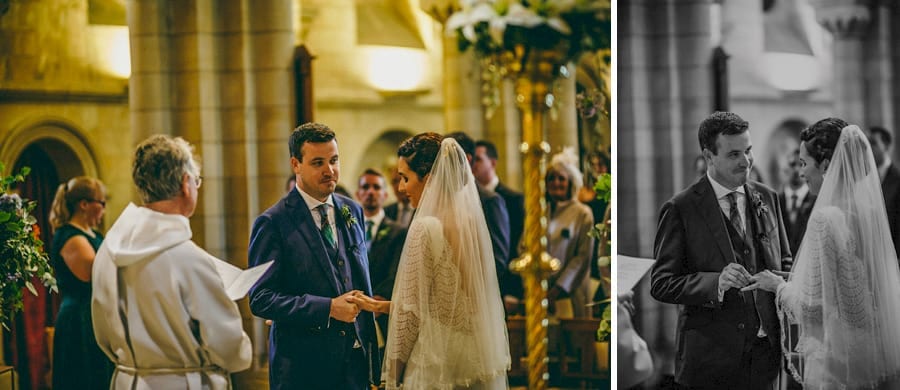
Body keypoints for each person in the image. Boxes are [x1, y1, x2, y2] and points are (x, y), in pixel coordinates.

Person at [745, 121, 900, 389]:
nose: (801, 172)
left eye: (804, 163)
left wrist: (778, 285)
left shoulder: (825, 219)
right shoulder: (869, 212)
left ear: (827, 165)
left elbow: (811, 307)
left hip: (839, 358)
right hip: (872, 348)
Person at [349, 133, 510, 389]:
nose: (401, 188)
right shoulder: (471, 225)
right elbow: (445, 305)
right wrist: (382, 306)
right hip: (475, 357)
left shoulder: (426, 228)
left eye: (405, 178)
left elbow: (411, 316)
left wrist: (393, 374)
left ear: (430, 179)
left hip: (437, 362)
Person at [91, 135, 251, 389]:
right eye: (197, 181)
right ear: (186, 184)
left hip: (128, 380)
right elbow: (229, 348)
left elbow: (102, 334)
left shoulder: (106, 252)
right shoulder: (190, 260)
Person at [650, 111, 790, 389]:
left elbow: (784, 259)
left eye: (748, 151)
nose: (745, 161)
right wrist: (716, 282)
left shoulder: (768, 197)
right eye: (734, 154)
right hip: (710, 360)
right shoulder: (681, 208)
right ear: (709, 156)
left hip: (765, 357)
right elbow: (661, 283)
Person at [247, 122, 378, 389]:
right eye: (318, 162)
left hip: (354, 365)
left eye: (334, 160)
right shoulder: (273, 222)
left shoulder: (352, 211)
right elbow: (260, 298)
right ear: (296, 164)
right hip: (304, 369)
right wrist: (327, 308)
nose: (329, 170)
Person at [48, 176, 113, 390]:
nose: (103, 209)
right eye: (101, 203)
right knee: (83, 379)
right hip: (79, 318)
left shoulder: (94, 234)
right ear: (84, 204)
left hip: (94, 314)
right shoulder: (70, 236)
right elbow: (93, 274)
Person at [446, 132, 511, 292]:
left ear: (466, 159)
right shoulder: (443, 198)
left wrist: (466, 286)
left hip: (480, 295)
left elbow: (498, 259)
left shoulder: (490, 201)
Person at [355, 168, 407, 349]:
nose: (370, 192)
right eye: (365, 187)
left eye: (376, 187)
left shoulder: (398, 231)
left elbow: (396, 272)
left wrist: (375, 303)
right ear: (357, 194)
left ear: (385, 194)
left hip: (384, 312)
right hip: (354, 312)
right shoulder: (348, 230)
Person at [473, 139, 526, 313]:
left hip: (506, 288)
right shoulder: (470, 198)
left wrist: (512, 291)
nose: (473, 163)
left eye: (479, 159)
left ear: (493, 162)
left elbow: (514, 246)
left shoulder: (513, 199)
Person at [545, 148, 596, 318]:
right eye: (551, 178)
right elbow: (524, 245)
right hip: (541, 291)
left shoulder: (582, 213)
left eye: (561, 179)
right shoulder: (540, 211)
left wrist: (558, 289)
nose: (556, 183)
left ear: (571, 182)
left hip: (571, 292)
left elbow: (582, 257)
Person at [779, 149, 816, 261]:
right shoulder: (773, 200)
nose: (796, 169)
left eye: (800, 164)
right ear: (785, 168)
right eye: (792, 164)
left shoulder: (816, 201)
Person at [869, 126, 900, 257]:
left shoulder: (897, 179)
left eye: (873, 143)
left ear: (886, 146)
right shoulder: (864, 180)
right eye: (867, 143)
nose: (869, 148)